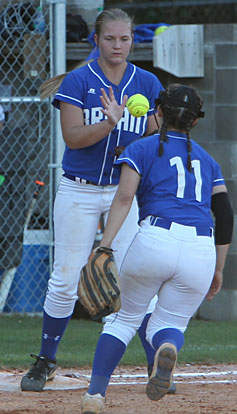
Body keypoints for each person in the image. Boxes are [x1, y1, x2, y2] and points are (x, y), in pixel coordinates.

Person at [20, 8, 165, 392]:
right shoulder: (79, 80)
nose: (118, 45)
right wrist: (110, 122)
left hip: (124, 192)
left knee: (136, 276)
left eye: (125, 38)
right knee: (66, 278)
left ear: (133, 41)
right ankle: (46, 360)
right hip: (79, 189)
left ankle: (156, 365)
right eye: (110, 38)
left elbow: (155, 139)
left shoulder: (146, 82)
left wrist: (155, 133)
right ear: (96, 41)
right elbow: (73, 138)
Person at [81, 84, 234, 413]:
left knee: (124, 321)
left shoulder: (142, 148)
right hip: (200, 249)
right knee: (172, 323)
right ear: (194, 122)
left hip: (155, 239)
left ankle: (95, 394)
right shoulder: (208, 161)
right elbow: (225, 214)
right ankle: (166, 346)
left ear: (158, 113)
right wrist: (218, 268)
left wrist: (104, 246)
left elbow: (123, 199)